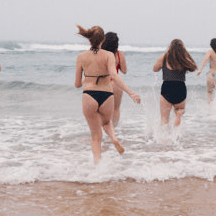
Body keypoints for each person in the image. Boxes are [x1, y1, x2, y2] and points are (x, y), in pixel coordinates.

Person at [75, 25, 140, 162]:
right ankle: (114, 138)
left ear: (89, 39)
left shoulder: (81, 56)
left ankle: (98, 166)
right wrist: (131, 93)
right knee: (106, 122)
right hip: (107, 94)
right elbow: (115, 76)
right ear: (102, 39)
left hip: (89, 95)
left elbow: (77, 84)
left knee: (95, 137)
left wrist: (88, 77)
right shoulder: (110, 55)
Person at [153, 39, 197, 128]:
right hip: (180, 88)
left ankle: (165, 140)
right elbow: (194, 67)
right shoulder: (184, 59)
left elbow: (155, 69)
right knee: (180, 110)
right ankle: (179, 116)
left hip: (167, 88)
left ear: (170, 47)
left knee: (164, 119)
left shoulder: (163, 57)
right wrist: (186, 55)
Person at [101, 31, 128, 126]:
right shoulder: (119, 54)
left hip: (101, 83)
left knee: (100, 109)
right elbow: (124, 71)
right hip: (115, 84)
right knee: (115, 109)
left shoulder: (100, 53)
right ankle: (114, 131)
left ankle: (100, 132)